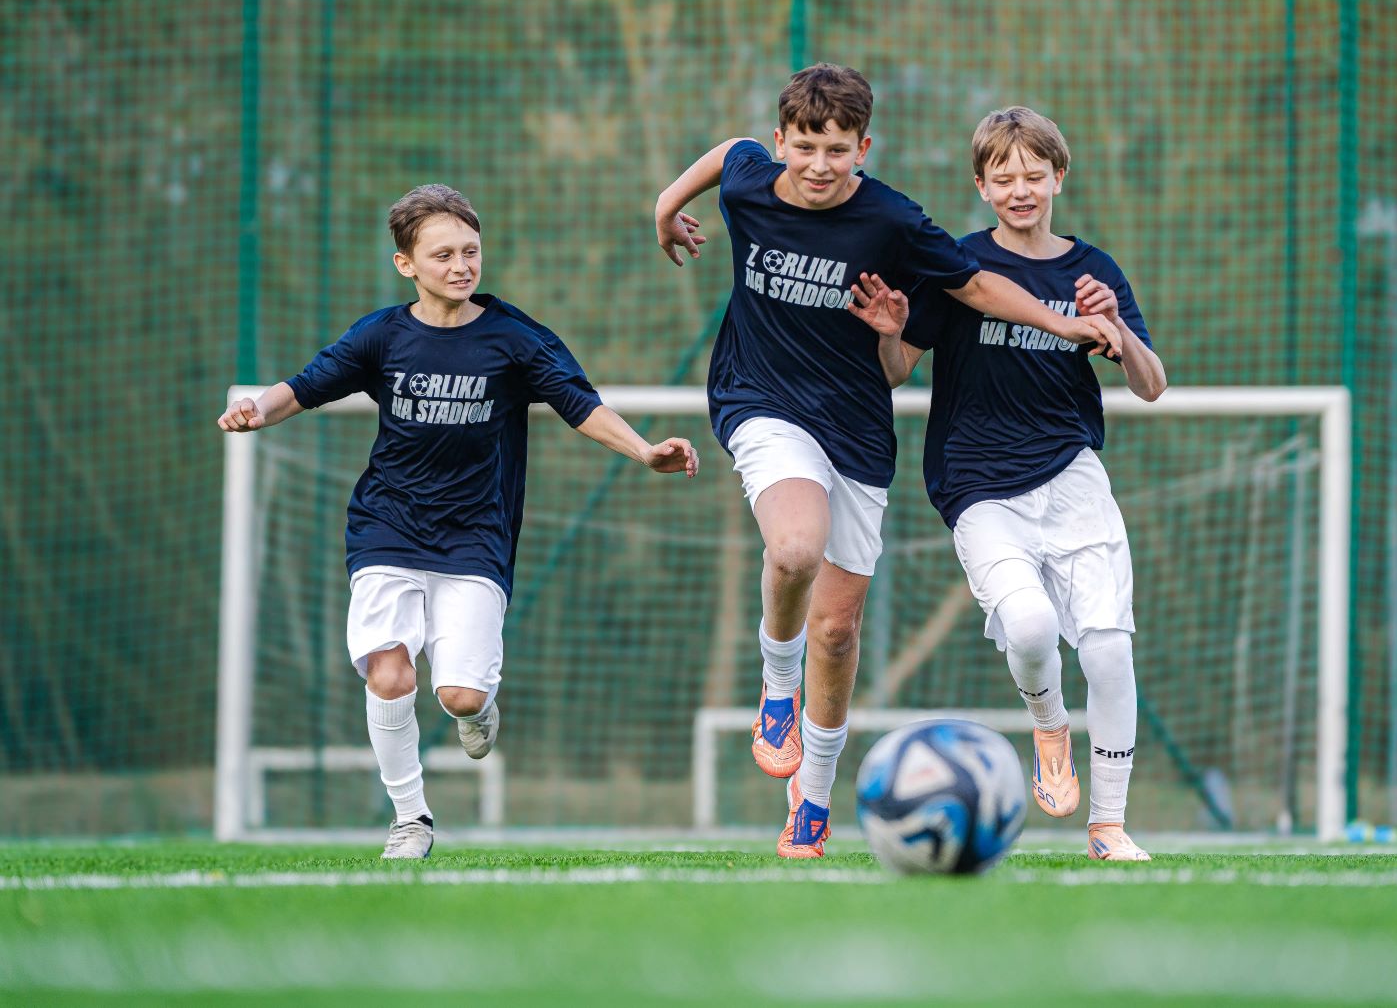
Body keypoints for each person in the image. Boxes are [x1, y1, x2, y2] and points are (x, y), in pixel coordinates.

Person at [654, 66, 1120, 857]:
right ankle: (775, 684)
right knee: (794, 546)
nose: (819, 165)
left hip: (857, 426)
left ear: (863, 147)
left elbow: (974, 285)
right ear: (781, 144)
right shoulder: (748, 180)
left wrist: (1062, 324)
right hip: (759, 400)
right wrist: (665, 208)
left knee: (836, 630)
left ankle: (816, 802)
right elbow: (724, 152)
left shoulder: (894, 220)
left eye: (838, 149)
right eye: (803, 148)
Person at [218, 184, 699, 859]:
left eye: (470, 251)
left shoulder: (514, 337)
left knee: (460, 696)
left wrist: (645, 449)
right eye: (442, 254)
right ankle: (411, 818)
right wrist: (256, 411)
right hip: (387, 525)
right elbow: (306, 383)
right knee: (388, 674)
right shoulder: (381, 336)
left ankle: (479, 707)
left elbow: (580, 404)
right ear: (406, 264)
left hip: (477, 536)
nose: (460, 265)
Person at [852, 106, 1165, 861]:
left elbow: (1152, 385)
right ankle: (1049, 723)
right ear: (982, 187)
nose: (1021, 189)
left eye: (1033, 174)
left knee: (1110, 651)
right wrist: (892, 332)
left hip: (1073, 477)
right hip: (978, 483)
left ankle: (1109, 824)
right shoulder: (956, 264)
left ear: (1059, 176)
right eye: (1004, 177)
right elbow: (898, 373)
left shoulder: (1093, 271)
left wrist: (1119, 334)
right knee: (1027, 627)